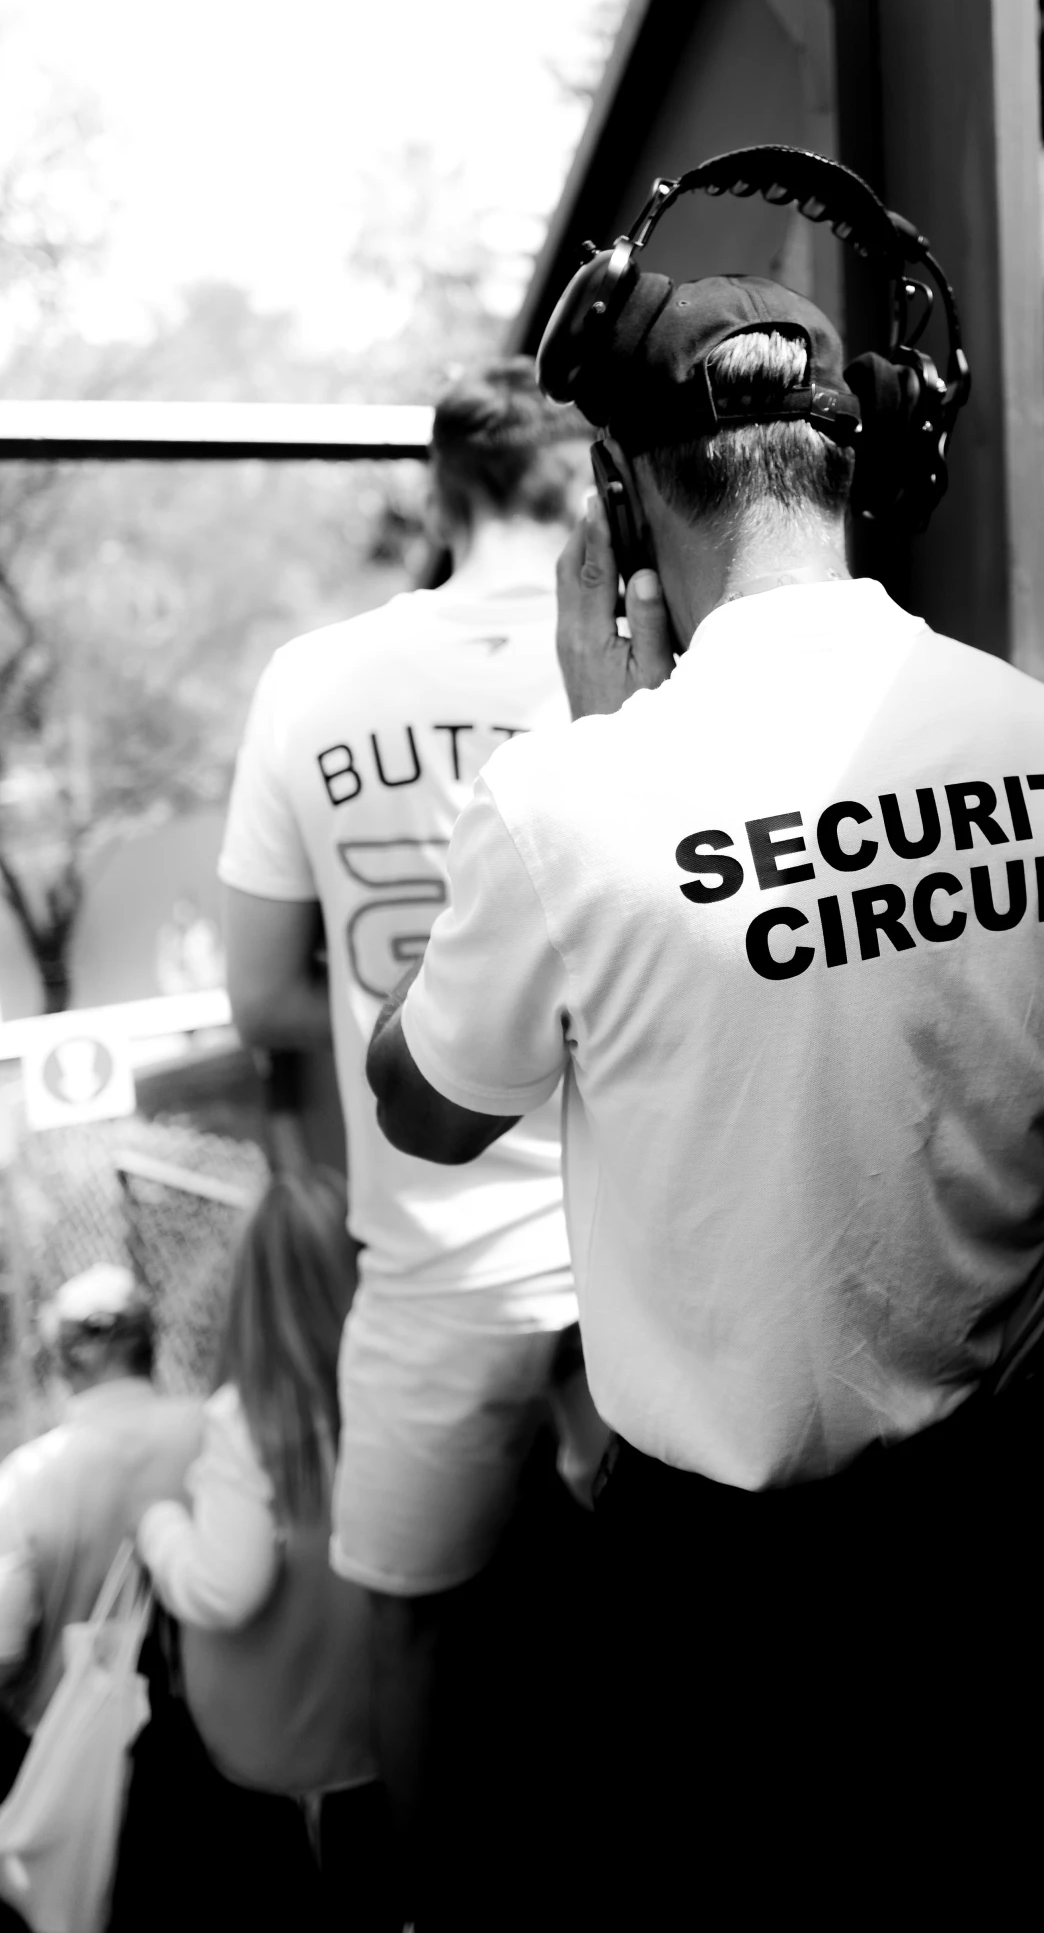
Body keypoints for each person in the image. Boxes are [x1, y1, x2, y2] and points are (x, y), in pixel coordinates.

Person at [366, 278, 1044, 1908]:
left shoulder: (571, 799)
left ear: (620, 495)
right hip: (1006, 1548)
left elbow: (425, 1104)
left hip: (731, 1604)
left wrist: (604, 732)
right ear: (850, 473)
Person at [218, 364, 607, 1920]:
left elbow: (256, 996)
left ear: (440, 494)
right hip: (622, 1259)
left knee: (413, 1630)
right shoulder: (638, 668)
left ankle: (432, 1913)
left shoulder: (315, 681)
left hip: (430, 1256)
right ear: (582, 486)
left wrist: (400, 992)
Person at [126, 1166, 403, 1932]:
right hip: (380, 1730)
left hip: (273, 1748)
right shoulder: (393, 1401)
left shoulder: (245, 1426)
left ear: (252, 1289)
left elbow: (224, 1587)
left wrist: (160, 1529)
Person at [0, 1265, 201, 1750]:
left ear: (62, 1360)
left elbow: (4, 1650)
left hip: (69, 1760)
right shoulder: (215, 1434)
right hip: (217, 1747)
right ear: (151, 1346)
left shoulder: (29, 1477)